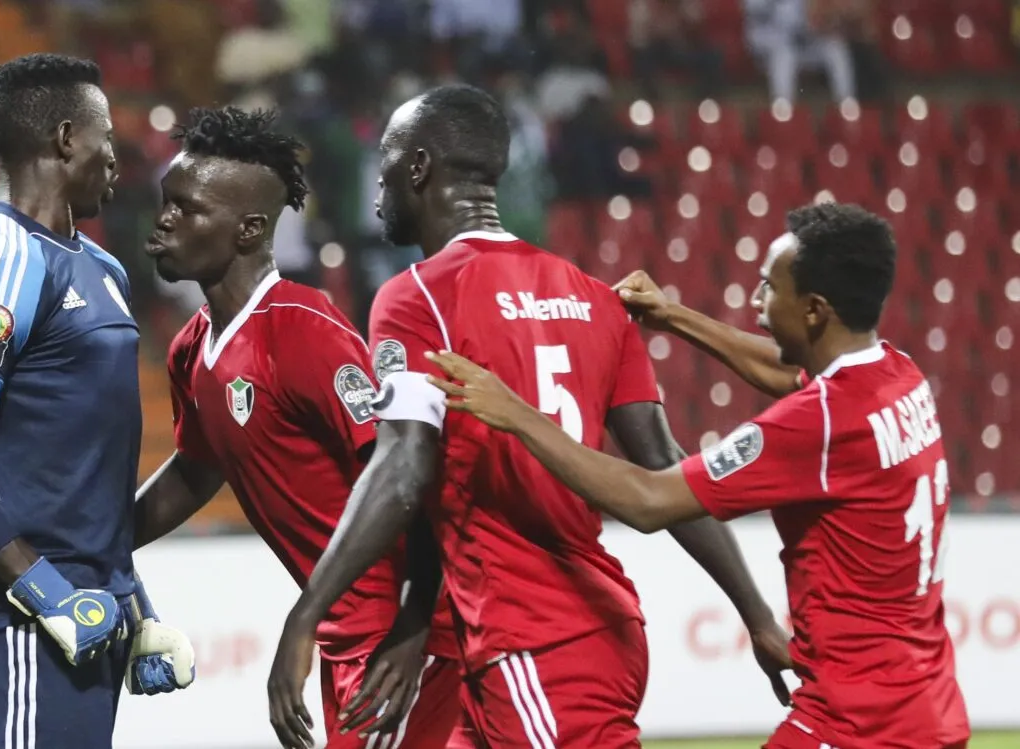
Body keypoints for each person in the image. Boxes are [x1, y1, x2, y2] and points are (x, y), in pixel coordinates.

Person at [267, 84, 789, 749]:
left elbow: (404, 468)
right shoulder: (594, 297)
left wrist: (305, 616)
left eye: (388, 161)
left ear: (419, 167)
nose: (379, 183)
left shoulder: (416, 296)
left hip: (534, 639)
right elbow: (665, 467)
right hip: (576, 630)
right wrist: (756, 612)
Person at [422, 203, 970, 749]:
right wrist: (674, 316)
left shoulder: (819, 423)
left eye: (769, 288)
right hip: (929, 704)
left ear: (814, 310)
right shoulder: (899, 376)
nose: (756, 304)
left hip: (858, 725)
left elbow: (649, 499)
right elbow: (787, 371)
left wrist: (514, 413)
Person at [132, 106, 468, 749]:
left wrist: (414, 625)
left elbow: (410, 473)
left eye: (188, 208)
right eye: (166, 201)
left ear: (250, 229)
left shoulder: (304, 331)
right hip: (349, 634)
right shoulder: (191, 348)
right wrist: (101, 547)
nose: (166, 218)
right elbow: (198, 469)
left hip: (403, 638)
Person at [0, 53, 194, 749]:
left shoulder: (104, 269)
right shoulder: (5, 262)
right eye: (108, 141)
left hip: (92, 615)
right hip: (29, 624)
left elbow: (80, 478)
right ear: (67, 139)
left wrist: (132, 598)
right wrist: (45, 591)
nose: (118, 162)